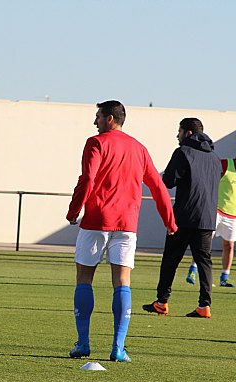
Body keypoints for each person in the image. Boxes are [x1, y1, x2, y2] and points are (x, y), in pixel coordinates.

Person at [66, 100, 177, 363]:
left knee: (84, 278)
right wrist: (170, 222)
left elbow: (88, 178)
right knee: (122, 282)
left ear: (110, 119)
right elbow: (158, 187)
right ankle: (118, 347)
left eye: (98, 117)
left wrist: (74, 210)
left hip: (97, 221)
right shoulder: (139, 148)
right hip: (127, 224)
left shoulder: (96, 143)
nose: (95, 122)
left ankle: (83, 343)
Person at [142, 118, 222, 319]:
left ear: (187, 133)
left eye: (179, 131)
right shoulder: (214, 157)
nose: (177, 136)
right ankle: (204, 306)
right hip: (207, 218)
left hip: (185, 216)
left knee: (171, 259)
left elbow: (168, 181)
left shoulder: (183, 152)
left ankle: (162, 302)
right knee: (204, 262)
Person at [185, 144, 236, 287]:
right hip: (215, 210)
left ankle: (224, 277)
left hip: (233, 215)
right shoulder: (225, 164)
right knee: (205, 242)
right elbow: (207, 177)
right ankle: (193, 269)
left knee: (229, 245)